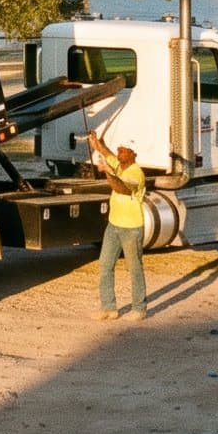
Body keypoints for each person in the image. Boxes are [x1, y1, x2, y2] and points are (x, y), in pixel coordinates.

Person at [87, 131, 148, 321]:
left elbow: (121, 187)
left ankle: (139, 309)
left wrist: (106, 171)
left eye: (123, 151)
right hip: (114, 225)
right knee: (105, 264)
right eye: (119, 150)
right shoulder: (120, 165)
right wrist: (96, 142)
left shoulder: (136, 173)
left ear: (133, 154)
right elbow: (106, 153)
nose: (119, 154)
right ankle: (109, 308)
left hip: (131, 227)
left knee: (134, 267)